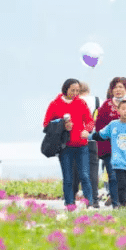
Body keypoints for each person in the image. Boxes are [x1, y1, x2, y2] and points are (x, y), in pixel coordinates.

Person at [43, 78, 96, 208]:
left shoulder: (81, 103)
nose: (75, 93)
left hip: (82, 145)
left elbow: (90, 121)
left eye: (77, 90)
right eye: (73, 90)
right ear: (65, 89)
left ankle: (89, 202)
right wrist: (62, 125)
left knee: (84, 175)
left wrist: (87, 130)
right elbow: (46, 125)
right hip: (65, 147)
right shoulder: (55, 104)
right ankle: (69, 204)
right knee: (68, 178)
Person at [93, 77, 126, 208]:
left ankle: (123, 201)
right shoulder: (106, 105)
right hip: (109, 147)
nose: (118, 90)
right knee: (114, 176)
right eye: (115, 87)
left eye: (121, 87)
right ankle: (117, 204)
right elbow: (99, 125)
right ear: (111, 90)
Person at [78, 82, 101, 208]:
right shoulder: (98, 101)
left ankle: (86, 199)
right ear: (88, 90)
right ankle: (95, 199)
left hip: (77, 139)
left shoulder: (74, 101)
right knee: (94, 169)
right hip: (93, 139)